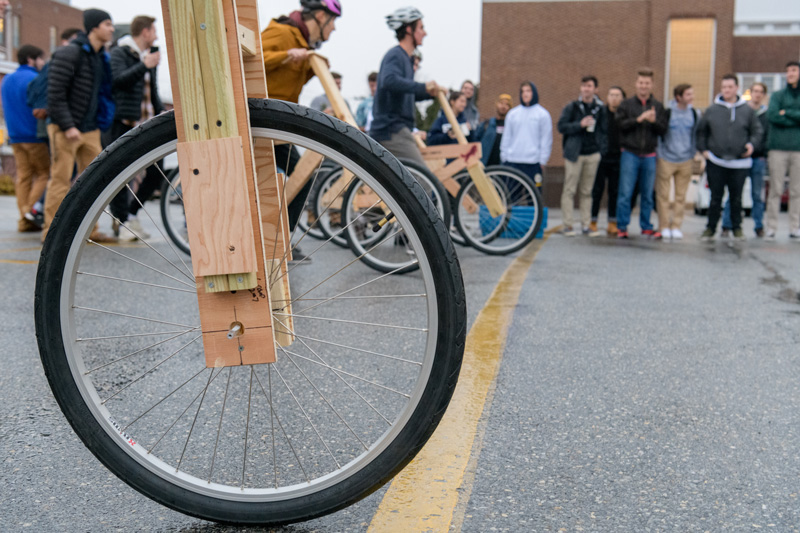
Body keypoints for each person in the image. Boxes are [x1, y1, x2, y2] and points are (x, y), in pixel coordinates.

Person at [261, 0, 341, 250]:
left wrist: (311, 68)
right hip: (261, 119)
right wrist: (286, 55)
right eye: (333, 22)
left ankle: (280, 240)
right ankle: (275, 241)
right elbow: (248, 58)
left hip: (277, 124)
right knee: (294, 176)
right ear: (320, 16)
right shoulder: (283, 32)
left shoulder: (303, 43)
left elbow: (286, 81)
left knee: (302, 177)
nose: (334, 29)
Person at [43, 9, 117, 243]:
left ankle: (89, 232)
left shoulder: (99, 56)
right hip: (66, 128)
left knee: (94, 182)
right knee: (60, 180)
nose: (112, 28)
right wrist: (67, 125)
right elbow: (54, 94)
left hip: (90, 128)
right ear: (93, 27)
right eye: (107, 24)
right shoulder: (69, 53)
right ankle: (52, 235)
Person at [104, 15, 165, 242]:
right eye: (154, 31)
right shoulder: (120, 52)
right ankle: (122, 222)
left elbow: (152, 91)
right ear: (145, 32)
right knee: (120, 175)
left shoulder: (147, 57)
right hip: (125, 122)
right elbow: (118, 81)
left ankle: (131, 214)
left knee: (156, 174)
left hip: (147, 124)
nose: (157, 36)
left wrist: (161, 113)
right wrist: (143, 66)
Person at [370, 7, 442, 166]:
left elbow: (406, 92)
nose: (425, 33)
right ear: (409, 29)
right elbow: (389, 81)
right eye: (421, 28)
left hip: (398, 129)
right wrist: (423, 86)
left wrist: (429, 93)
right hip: (392, 130)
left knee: (405, 184)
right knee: (423, 181)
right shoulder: (396, 55)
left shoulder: (406, 60)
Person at [696, 75, 763, 241]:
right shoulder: (712, 110)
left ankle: (737, 229)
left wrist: (751, 145)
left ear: (737, 88)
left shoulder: (747, 110)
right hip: (716, 161)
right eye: (724, 87)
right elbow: (701, 132)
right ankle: (710, 228)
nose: (726, 90)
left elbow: (757, 131)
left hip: (740, 163)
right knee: (715, 198)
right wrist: (704, 150)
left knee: (736, 199)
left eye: (730, 87)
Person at [614, 68, 668, 239]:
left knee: (647, 194)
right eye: (641, 83)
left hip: (650, 156)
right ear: (636, 84)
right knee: (625, 192)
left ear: (651, 85)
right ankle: (622, 226)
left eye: (647, 83)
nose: (643, 86)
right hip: (630, 154)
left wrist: (653, 122)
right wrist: (638, 119)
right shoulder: (626, 105)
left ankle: (646, 226)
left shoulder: (658, 106)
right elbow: (620, 125)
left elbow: (663, 130)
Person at [1, 45, 48, 232]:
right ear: (31, 59)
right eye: (40, 59)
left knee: (23, 176)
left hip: (14, 135)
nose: (42, 63)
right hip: (33, 134)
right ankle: (30, 213)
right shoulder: (35, 79)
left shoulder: (7, 80)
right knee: (44, 174)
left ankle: (23, 218)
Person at [557, 75, 606, 236]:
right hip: (574, 155)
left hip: (592, 154)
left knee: (587, 191)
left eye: (590, 86)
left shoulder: (600, 109)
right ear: (581, 88)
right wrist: (580, 124)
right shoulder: (572, 107)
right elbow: (561, 126)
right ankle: (568, 225)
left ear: (595, 89)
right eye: (584, 86)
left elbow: (605, 131)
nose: (587, 89)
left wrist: (600, 150)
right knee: (569, 189)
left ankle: (586, 225)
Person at [722, 82, 769, 238]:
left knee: (757, 194)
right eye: (755, 91)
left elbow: (764, 135)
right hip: (740, 159)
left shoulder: (765, 114)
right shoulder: (742, 111)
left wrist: (760, 150)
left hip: (758, 159)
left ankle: (759, 226)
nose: (757, 94)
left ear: (763, 95)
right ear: (750, 93)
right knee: (735, 193)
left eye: (760, 92)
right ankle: (727, 225)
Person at [654, 83, 699, 240]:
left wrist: (693, 154)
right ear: (678, 97)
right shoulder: (668, 113)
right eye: (688, 94)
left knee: (681, 196)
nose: (691, 97)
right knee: (663, 195)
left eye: (691, 94)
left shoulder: (694, 113)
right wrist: (660, 154)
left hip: (686, 159)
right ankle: (664, 226)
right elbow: (660, 135)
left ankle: (676, 226)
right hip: (667, 158)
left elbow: (695, 135)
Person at [764, 61, 800, 241]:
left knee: (797, 191)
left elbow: (781, 115)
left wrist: (786, 113)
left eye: (793, 70)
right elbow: (772, 115)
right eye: (787, 71)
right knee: (775, 190)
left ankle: (795, 227)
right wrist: (794, 117)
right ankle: (771, 227)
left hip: (798, 150)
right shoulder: (777, 95)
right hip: (777, 149)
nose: (790, 74)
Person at [500, 81, 552, 187]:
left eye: (528, 91)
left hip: (533, 163)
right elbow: (507, 137)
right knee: (512, 196)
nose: (525, 94)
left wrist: (543, 160)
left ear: (534, 93)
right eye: (523, 91)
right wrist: (504, 157)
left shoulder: (543, 114)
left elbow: (546, 139)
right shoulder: (512, 114)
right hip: (512, 161)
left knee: (533, 196)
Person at [589, 86, 625, 237]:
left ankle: (612, 222)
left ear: (622, 98)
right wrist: (598, 148)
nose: (614, 98)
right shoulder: (601, 113)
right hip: (602, 156)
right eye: (611, 94)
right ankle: (593, 221)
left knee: (614, 191)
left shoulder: (624, 114)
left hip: (618, 157)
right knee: (597, 190)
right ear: (607, 97)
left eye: (617, 95)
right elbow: (594, 131)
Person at [478, 93, 512, 166]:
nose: (503, 106)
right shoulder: (486, 124)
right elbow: (475, 140)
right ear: (497, 104)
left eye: (507, 104)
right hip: (485, 165)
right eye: (501, 103)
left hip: (502, 168)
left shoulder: (511, 127)